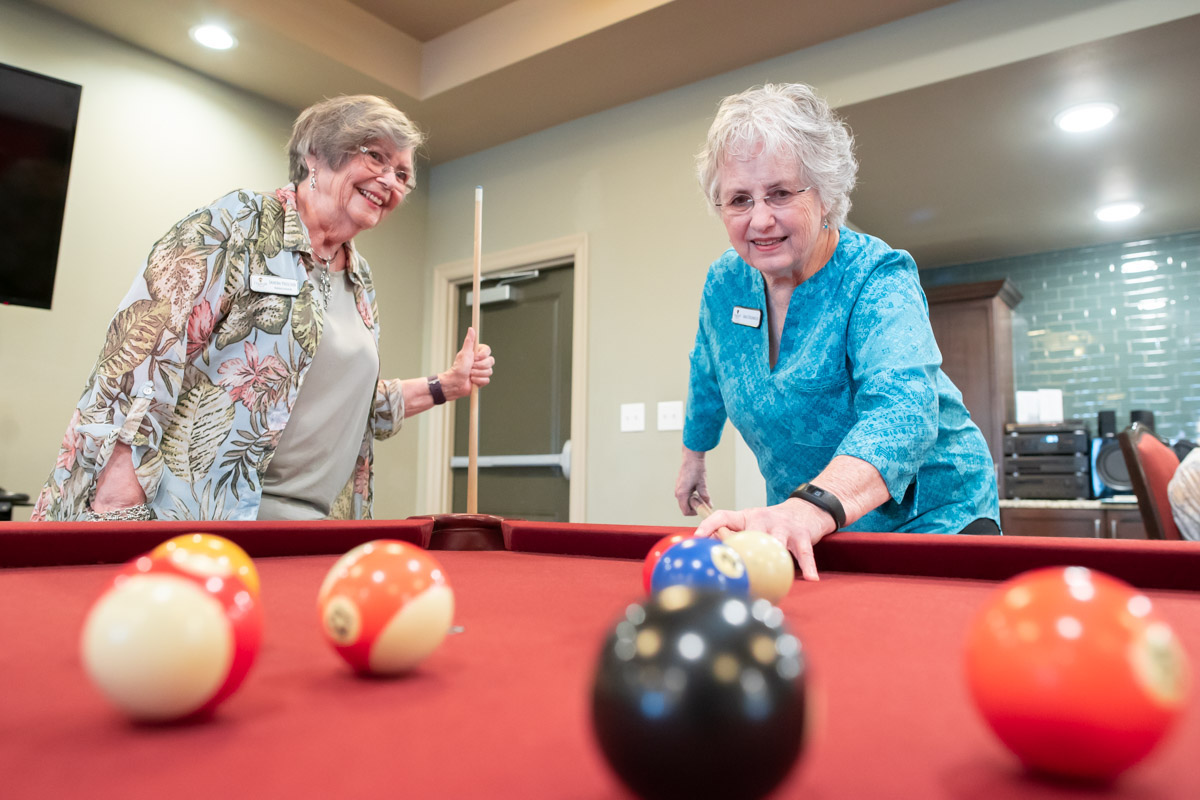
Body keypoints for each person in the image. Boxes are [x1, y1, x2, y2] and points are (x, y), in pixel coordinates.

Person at [33, 95, 493, 522]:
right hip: (196, 516)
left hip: (311, 531)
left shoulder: (360, 280)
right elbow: (139, 358)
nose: (390, 180)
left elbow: (344, 406)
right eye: (375, 156)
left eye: (403, 174)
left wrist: (444, 386)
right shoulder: (238, 224)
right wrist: (117, 503)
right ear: (316, 154)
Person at [677, 83, 999, 580]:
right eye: (739, 199)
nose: (760, 219)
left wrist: (807, 508)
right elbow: (709, 368)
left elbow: (905, 412)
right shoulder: (726, 283)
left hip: (932, 521)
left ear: (825, 195)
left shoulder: (877, 275)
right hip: (814, 522)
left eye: (781, 193)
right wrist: (694, 455)